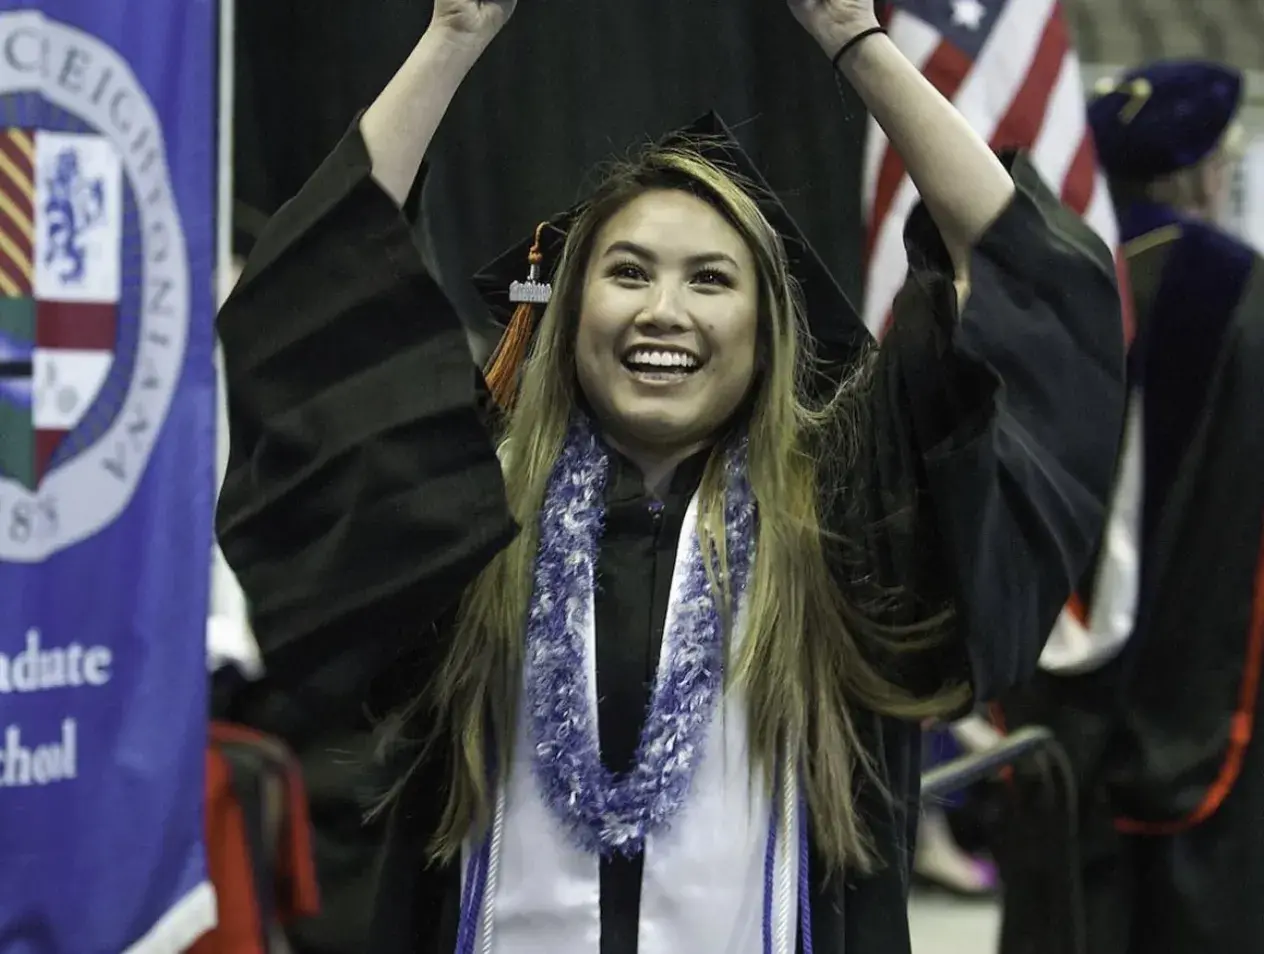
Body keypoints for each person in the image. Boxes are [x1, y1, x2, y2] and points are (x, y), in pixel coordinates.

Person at [213, 0, 1125, 951]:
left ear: (768, 329)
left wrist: (857, 40)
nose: (664, 311)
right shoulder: (462, 523)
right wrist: (453, 39)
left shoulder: (843, 530)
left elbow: (1027, 280)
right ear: (568, 313)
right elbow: (322, 290)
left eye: (710, 279)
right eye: (628, 272)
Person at [996, 60, 1264, 954]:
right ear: (1205, 170)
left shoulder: (1050, 278)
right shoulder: (1243, 295)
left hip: (1053, 693)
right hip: (1210, 686)